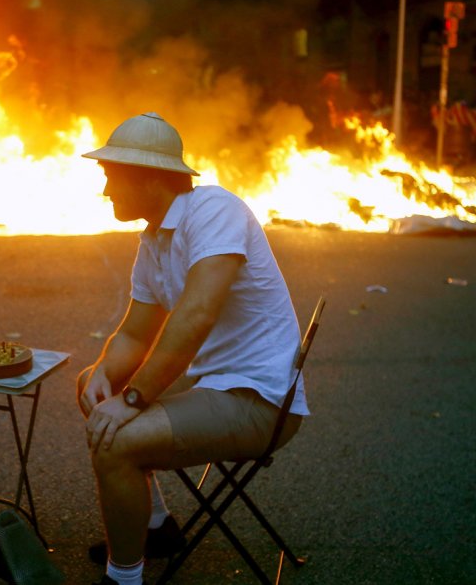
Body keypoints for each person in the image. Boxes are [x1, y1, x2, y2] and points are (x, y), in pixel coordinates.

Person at [77, 112, 308, 585]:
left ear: (148, 176)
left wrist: (134, 399)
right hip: (213, 382)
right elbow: (135, 335)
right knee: (95, 386)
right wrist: (104, 373)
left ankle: (123, 579)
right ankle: (155, 526)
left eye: (111, 177)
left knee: (117, 442)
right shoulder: (154, 239)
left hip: (257, 399)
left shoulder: (215, 211)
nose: (105, 192)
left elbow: (197, 314)